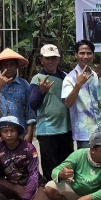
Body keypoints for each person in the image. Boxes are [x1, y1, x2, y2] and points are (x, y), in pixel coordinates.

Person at [29, 44, 73, 182]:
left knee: (67, 165)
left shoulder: (66, 77)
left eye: (54, 58)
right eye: (47, 58)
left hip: (66, 129)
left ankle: (66, 197)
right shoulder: (37, 79)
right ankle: (51, 196)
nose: (51, 61)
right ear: (41, 60)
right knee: (50, 167)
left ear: (58, 59)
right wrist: (41, 92)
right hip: (47, 131)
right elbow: (33, 104)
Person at [0, 48, 35, 147]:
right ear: (0, 67)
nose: (8, 68)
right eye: (5, 65)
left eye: (11, 64)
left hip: (19, 132)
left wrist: (30, 133)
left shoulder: (24, 84)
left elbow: (29, 111)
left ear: (16, 66)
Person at [61, 40, 101, 149]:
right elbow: (67, 104)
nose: (85, 56)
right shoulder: (70, 78)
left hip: (99, 129)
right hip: (84, 133)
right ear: (76, 55)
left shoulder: (94, 75)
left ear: (93, 55)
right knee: (86, 164)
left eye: (89, 53)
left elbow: (97, 101)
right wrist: (78, 85)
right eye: (82, 53)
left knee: (100, 164)